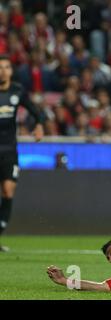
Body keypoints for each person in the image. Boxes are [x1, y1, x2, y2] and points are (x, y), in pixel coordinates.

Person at [0, 56, 44, 252]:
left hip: (9, 150)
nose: (2, 71)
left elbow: (36, 111)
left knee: (8, 191)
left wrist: (39, 125)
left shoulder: (17, 91)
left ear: (10, 71)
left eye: (6, 67)